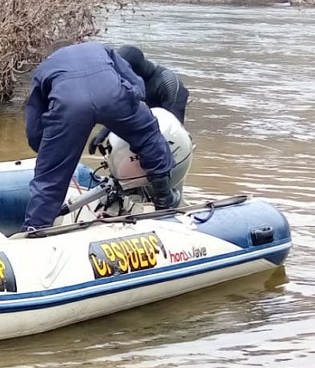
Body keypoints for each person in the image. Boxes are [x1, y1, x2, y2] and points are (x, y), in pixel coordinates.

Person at [22, 40, 176, 232]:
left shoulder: (45, 67)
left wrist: (48, 151)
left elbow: (35, 120)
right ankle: (164, 201)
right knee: (148, 136)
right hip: (113, 96)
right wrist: (133, 102)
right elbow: (133, 80)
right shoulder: (99, 48)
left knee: (50, 177)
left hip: (69, 107)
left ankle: (36, 228)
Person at [113, 45, 190, 123]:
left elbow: (174, 124)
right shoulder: (124, 81)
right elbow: (118, 115)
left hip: (168, 111)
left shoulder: (168, 82)